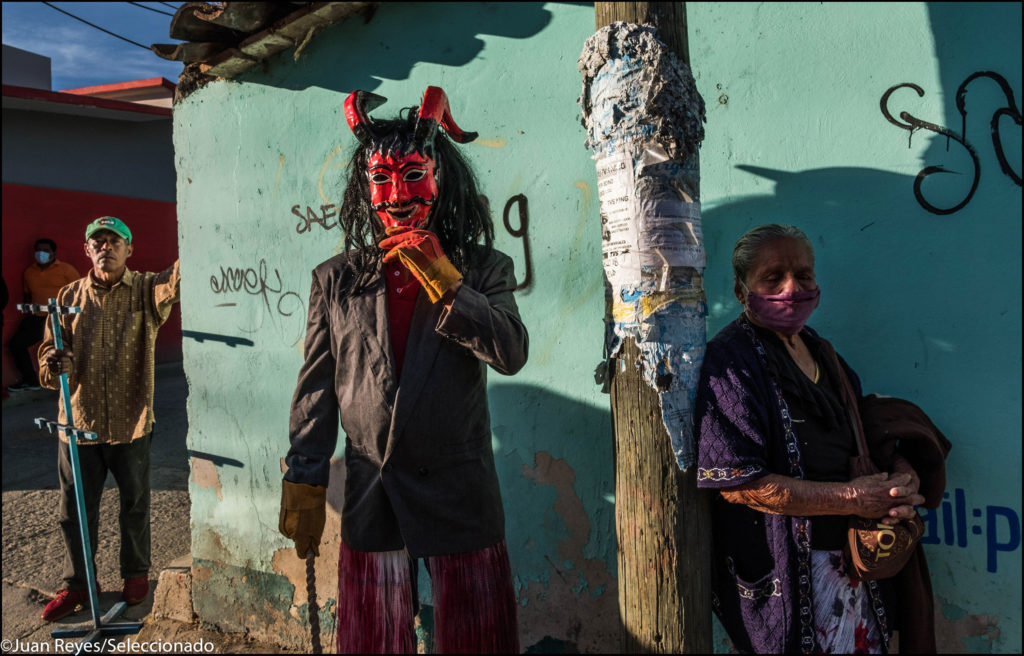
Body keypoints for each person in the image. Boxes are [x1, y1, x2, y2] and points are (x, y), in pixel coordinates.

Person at [279, 87, 528, 654]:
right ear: (364, 189)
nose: (396, 195)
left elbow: (510, 351)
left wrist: (444, 280)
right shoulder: (335, 278)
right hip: (372, 491)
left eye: (413, 174)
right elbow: (317, 390)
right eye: (382, 178)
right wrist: (305, 479)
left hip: (458, 492)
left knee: (477, 639)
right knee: (372, 640)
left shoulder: (484, 268)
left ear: (441, 181)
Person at [694, 224, 929, 654]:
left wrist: (902, 476)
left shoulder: (823, 352)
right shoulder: (731, 362)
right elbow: (739, 484)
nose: (792, 287)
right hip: (788, 575)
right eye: (773, 277)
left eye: (803, 275)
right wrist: (851, 498)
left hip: (853, 567)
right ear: (741, 289)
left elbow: (864, 435)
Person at [37, 216, 180, 622]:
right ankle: (79, 585)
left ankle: (136, 576)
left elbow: (180, 274)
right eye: (97, 241)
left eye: (114, 241)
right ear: (87, 250)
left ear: (128, 249)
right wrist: (53, 363)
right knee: (75, 511)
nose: (106, 247)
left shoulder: (148, 291)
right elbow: (48, 367)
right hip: (77, 422)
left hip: (130, 421)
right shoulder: (66, 296)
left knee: (134, 505)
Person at [7, 238, 80, 392]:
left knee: (67, 348)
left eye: (46, 250)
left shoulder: (66, 270)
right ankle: (31, 380)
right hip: (38, 317)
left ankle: (74, 382)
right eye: (38, 250)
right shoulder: (29, 272)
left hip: (60, 317)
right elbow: (28, 294)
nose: (41, 253)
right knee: (16, 344)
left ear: (54, 253)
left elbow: (79, 294)